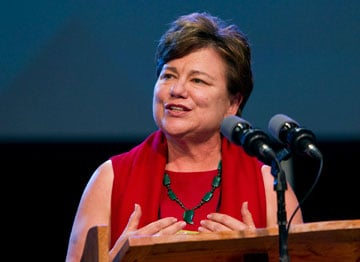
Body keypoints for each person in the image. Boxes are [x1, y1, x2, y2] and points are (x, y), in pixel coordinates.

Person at [65, 11, 303, 261]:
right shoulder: (111, 179)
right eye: (168, 76)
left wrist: (258, 256)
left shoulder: (268, 186)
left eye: (198, 80)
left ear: (233, 103)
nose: (177, 90)